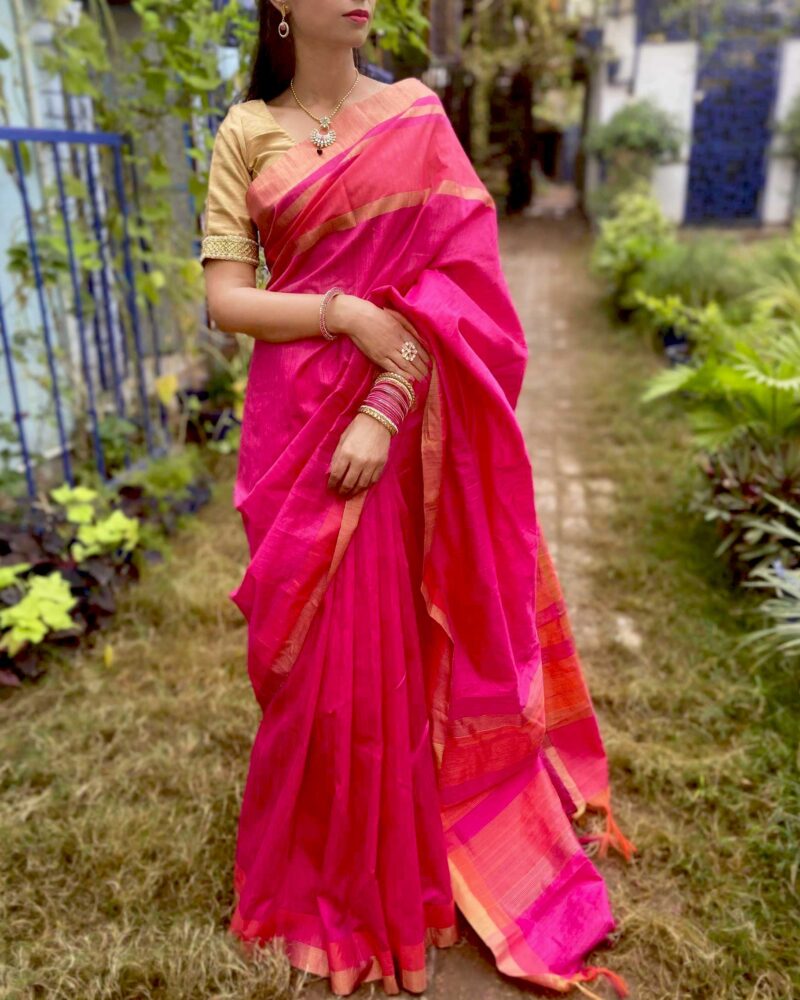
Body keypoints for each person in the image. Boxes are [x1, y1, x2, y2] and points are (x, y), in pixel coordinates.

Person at [201, 2, 636, 997]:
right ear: (277, 8)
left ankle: (402, 863)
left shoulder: (414, 115)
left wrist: (390, 396)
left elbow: (463, 283)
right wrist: (343, 311)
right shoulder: (245, 132)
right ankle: (320, 872)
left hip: (399, 424)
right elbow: (227, 300)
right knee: (309, 663)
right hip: (295, 423)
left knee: (392, 650)